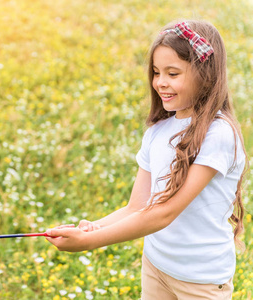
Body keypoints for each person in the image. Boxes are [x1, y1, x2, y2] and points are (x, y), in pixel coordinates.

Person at [46, 20, 248, 299]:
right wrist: (93, 227)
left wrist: (91, 241)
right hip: (156, 266)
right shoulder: (158, 132)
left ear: (206, 75)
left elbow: (165, 212)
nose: (161, 82)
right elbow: (136, 207)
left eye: (173, 73)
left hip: (201, 280)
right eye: (156, 72)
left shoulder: (219, 134)